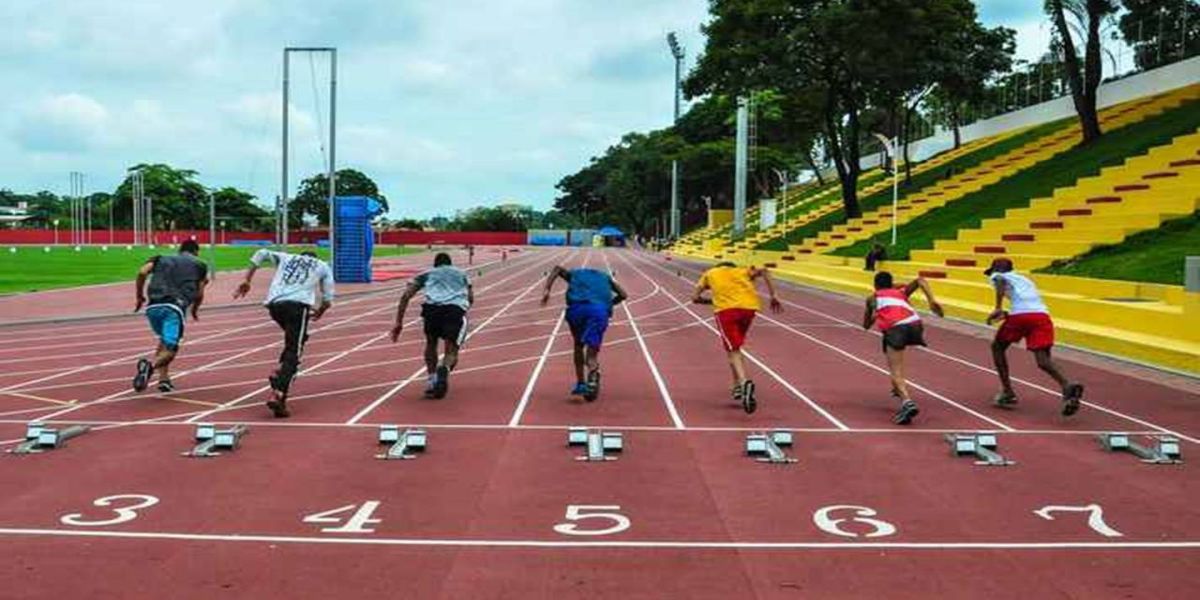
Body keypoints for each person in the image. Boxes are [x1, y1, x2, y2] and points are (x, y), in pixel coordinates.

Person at [233, 248, 334, 418]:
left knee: (296, 341)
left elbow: (261, 253)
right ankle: (279, 391)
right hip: (297, 307)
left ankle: (281, 376)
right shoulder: (322, 265)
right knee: (295, 351)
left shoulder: (286, 257)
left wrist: (247, 280)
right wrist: (321, 311)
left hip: (275, 306)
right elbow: (328, 297)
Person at [984, 257, 1084, 416]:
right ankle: (1067, 384)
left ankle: (1008, 392)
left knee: (997, 347)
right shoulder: (1025, 280)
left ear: (995, 269)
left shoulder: (998, 275)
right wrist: (1007, 313)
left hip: (1020, 317)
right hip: (1042, 317)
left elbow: (1000, 281)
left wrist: (997, 308)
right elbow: (1028, 304)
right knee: (1043, 360)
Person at [691, 262, 782, 414]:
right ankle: (737, 387)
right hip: (748, 309)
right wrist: (774, 295)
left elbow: (694, 297)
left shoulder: (710, 273)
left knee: (732, 351)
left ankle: (744, 383)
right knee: (736, 349)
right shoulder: (742, 270)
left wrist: (712, 299)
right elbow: (765, 270)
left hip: (726, 312)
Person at [861, 272, 944, 425]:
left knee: (896, 370)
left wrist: (876, 315)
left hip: (895, 328)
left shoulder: (872, 298)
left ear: (875, 285)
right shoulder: (901, 292)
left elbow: (865, 326)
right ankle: (897, 388)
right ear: (891, 283)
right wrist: (932, 301)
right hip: (915, 324)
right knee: (890, 348)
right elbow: (920, 280)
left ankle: (907, 402)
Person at [390, 252, 473, 399]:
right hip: (454, 309)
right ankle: (444, 369)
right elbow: (471, 297)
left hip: (431, 310)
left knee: (431, 343)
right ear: (450, 263)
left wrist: (399, 322)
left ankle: (431, 379)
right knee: (451, 351)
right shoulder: (462, 274)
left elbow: (405, 296)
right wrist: (464, 306)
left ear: (435, 264)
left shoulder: (427, 273)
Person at [540, 265, 628, 401]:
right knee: (591, 355)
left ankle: (581, 383)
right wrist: (608, 304)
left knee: (578, 345)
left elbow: (557, 268)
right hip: (598, 312)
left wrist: (547, 290)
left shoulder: (575, 274)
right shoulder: (605, 277)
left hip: (576, 310)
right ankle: (592, 376)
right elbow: (623, 295)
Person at [132, 239, 209, 393]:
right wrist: (195, 309)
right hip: (174, 308)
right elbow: (199, 293)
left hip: (153, 307)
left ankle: (164, 380)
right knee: (171, 349)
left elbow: (142, 272)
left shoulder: (159, 258)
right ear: (196, 252)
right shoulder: (200, 265)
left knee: (164, 340)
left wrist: (139, 297)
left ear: (180, 250)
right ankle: (150, 367)